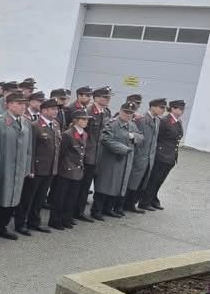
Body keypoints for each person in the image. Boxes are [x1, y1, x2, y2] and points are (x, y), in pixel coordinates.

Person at [14, 98, 61, 234]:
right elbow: (31, 149)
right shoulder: (34, 126)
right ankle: (20, 223)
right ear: (44, 110)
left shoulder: (56, 125)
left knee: (40, 198)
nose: (55, 112)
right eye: (52, 109)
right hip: (37, 169)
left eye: (56, 109)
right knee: (28, 198)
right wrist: (31, 169)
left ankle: (34, 222)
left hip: (50, 168)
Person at [0, 93, 33, 239]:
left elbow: (29, 149)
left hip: (18, 169)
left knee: (13, 199)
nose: (23, 106)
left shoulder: (26, 122)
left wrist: (27, 169)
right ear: (8, 104)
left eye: (24, 104)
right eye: (18, 103)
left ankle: (2, 227)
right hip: (3, 168)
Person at [93, 101, 142, 219]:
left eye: (130, 113)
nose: (128, 115)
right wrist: (124, 149)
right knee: (105, 185)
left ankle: (108, 209)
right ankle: (96, 210)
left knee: (118, 186)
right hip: (110, 160)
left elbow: (141, 136)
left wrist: (133, 136)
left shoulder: (132, 125)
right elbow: (105, 139)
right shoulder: (112, 123)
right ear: (120, 111)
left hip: (125, 162)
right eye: (126, 112)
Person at [140, 100, 186, 211]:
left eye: (182, 109)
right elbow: (156, 137)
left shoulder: (178, 121)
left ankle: (153, 199)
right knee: (154, 180)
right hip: (161, 155)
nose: (181, 111)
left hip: (170, 157)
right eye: (179, 108)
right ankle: (144, 202)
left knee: (160, 180)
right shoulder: (165, 121)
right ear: (173, 109)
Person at [48, 110, 89, 230]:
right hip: (66, 169)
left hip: (77, 170)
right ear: (76, 120)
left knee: (72, 197)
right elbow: (61, 153)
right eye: (83, 119)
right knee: (60, 197)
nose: (85, 121)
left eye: (86, 119)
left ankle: (66, 218)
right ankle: (55, 220)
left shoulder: (84, 134)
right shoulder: (68, 134)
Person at [124, 98, 164, 213]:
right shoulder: (141, 120)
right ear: (153, 107)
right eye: (161, 107)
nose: (163, 110)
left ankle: (132, 203)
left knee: (141, 182)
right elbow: (136, 138)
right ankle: (127, 204)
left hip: (149, 157)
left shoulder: (157, 120)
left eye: (164, 108)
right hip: (139, 156)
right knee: (133, 181)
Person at [83, 87, 113, 221]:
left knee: (92, 183)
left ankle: (83, 211)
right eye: (105, 97)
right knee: (83, 185)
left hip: (100, 154)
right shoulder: (89, 111)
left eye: (109, 97)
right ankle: (76, 211)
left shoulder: (106, 112)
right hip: (88, 153)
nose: (108, 99)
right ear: (96, 98)